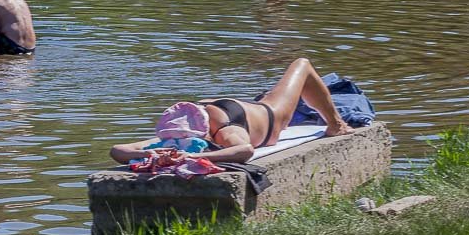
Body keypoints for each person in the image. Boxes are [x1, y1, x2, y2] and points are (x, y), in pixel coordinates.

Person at [109, 58, 353, 164]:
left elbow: (245, 150)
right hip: (233, 108)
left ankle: (336, 124)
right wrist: (149, 153)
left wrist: (193, 158)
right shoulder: (176, 133)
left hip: (269, 115)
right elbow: (118, 150)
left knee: (302, 65)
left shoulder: (225, 133)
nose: (182, 146)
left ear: (204, 134)